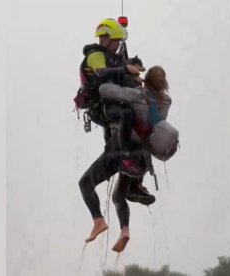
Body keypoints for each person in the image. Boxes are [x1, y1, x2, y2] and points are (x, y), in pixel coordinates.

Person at [78, 19, 155, 244]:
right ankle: (102, 220)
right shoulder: (95, 55)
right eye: (117, 41)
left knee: (127, 117)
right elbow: (103, 74)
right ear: (107, 38)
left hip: (117, 142)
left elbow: (123, 65)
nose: (119, 45)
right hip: (99, 107)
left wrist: (134, 63)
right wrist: (125, 69)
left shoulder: (115, 57)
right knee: (125, 117)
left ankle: (118, 220)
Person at [100, 66, 179, 252]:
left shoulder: (136, 95)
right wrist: (145, 84)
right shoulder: (166, 101)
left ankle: (125, 231)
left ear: (147, 80)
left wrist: (123, 77)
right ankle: (137, 189)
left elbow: (105, 90)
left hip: (128, 153)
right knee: (124, 189)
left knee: (118, 195)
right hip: (144, 157)